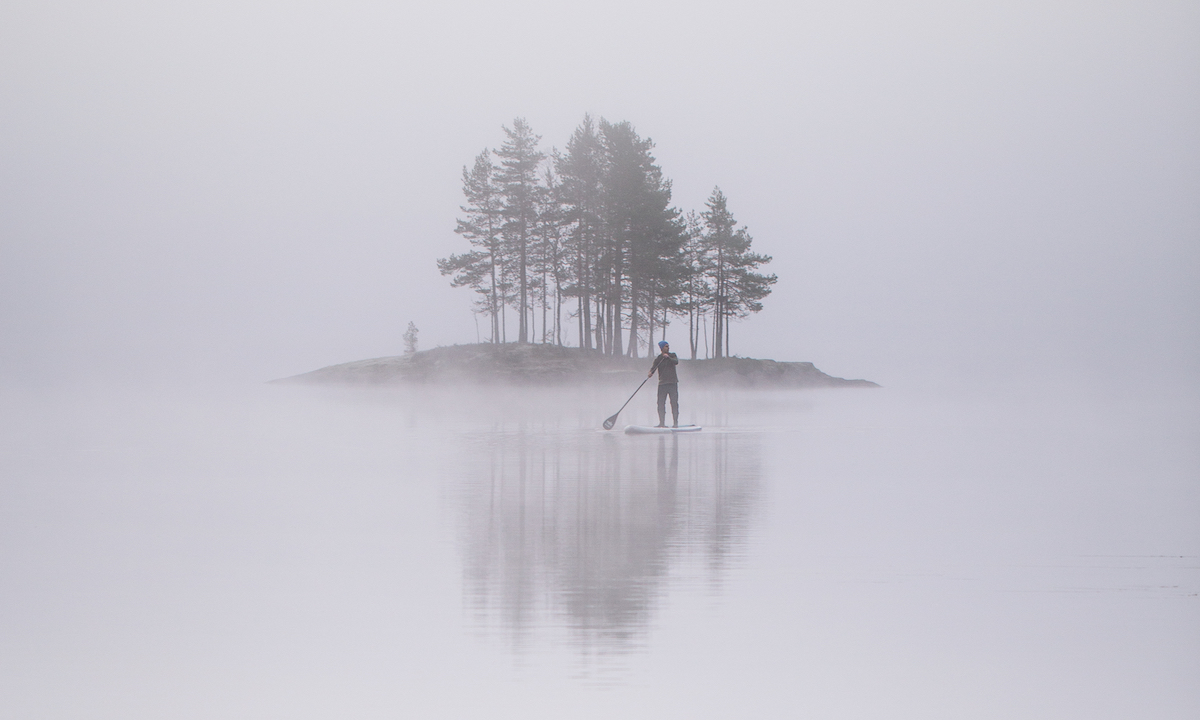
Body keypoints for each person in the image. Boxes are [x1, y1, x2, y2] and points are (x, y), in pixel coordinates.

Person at [648, 340, 680, 428]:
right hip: (662, 384)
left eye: (668, 346)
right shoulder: (658, 359)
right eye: (666, 346)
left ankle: (675, 423)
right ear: (662, 348)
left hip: (672, 383)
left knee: (674, 403)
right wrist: (650, 372)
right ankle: (662, 423)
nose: (668, 348)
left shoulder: (672, 355)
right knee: (660, 403)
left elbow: (676, 362)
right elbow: (653, 368)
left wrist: (668, 357)